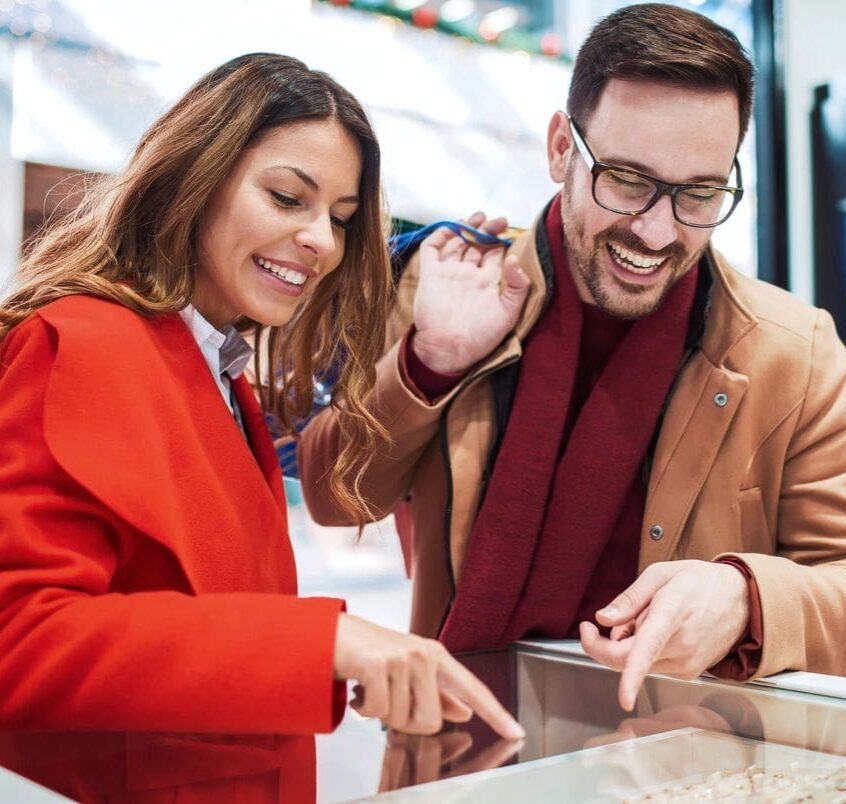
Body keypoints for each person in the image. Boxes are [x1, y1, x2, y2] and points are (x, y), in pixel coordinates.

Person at [299, 4, 846, 712]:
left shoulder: (789, 349)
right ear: (562, 147)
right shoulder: (446, 287)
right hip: (459, 749)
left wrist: (745, 597)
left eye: (700, 193)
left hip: (684, 768)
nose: (656, 230)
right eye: (625, 179)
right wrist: (428, 362)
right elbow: (332, 498)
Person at [0, 51, 523, 756]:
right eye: (286, 197)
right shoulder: (81, 343)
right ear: (194, 177)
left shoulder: (218, 370)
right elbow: (21, 641)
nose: (319, 242)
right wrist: (324, 640)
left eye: (340, 219)